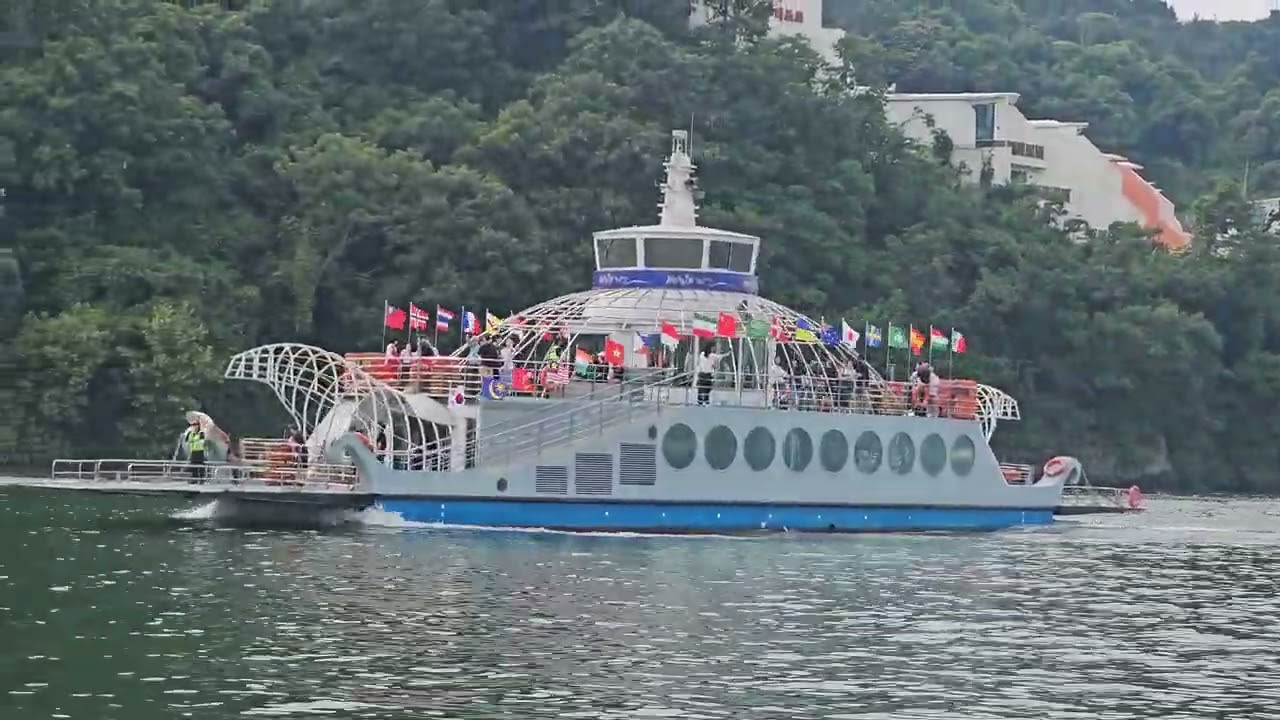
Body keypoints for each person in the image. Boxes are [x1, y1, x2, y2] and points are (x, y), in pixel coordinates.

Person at [184, 419, 206, 483]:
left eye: (195, 425)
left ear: (198, 426)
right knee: (193, 466)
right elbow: (186, 441)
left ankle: (202, 479)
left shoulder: (201, 433)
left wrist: (194, 441)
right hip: (193, 451)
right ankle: (194, 479)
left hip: (200, 451)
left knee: (201, 465)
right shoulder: (190, 433)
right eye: (192, 425)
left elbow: (202, 441)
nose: (194, 426)